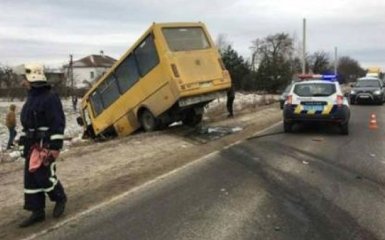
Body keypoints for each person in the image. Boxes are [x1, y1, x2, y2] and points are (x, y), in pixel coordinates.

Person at [15, 64, 67, 228]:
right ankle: (37, 211)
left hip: (45, 145)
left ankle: (59, 197)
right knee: (30, 179)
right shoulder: (31, 97)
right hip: (32, 145)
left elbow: (57, 122)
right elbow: (28, 123)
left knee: (43, 176)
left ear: (32, 78)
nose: (21, 81)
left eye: (24, 78)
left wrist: (55, 146)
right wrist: (24, 139)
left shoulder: (50, 97)